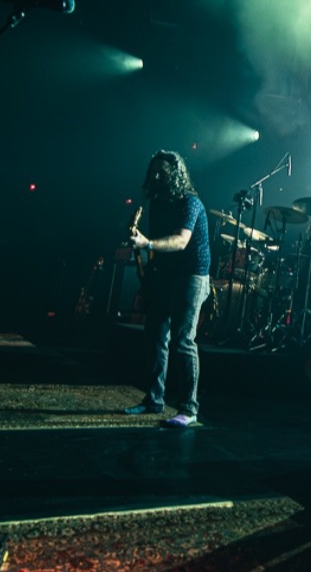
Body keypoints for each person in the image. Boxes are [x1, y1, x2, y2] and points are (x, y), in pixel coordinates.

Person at [125, 150, 211, 428]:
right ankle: (154, 399)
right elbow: (157, 245)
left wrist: (146, 243)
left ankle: (189, 407)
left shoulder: (191, 203)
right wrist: (149, 271)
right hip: (165, 274)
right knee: (155, 335)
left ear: (177, 174)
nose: (157, 176)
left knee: (183, 341)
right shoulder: (157, 203)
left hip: (192, 275)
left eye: (162, 172)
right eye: (154, 172)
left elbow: (179, 241)